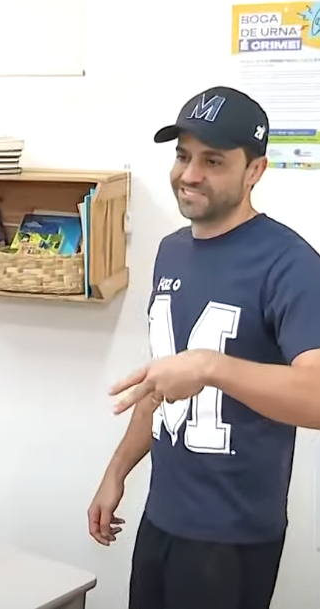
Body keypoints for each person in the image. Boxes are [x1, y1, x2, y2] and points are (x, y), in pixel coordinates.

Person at [87, 85, 320, 609]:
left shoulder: (291, 263)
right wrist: (116, 472)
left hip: (233, 538)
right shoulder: (171, 252)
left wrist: (212, 367)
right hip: (162, 519)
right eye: (183, 155)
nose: (189, 174)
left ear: (254, 171)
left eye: (212, 160)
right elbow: (162, 386)